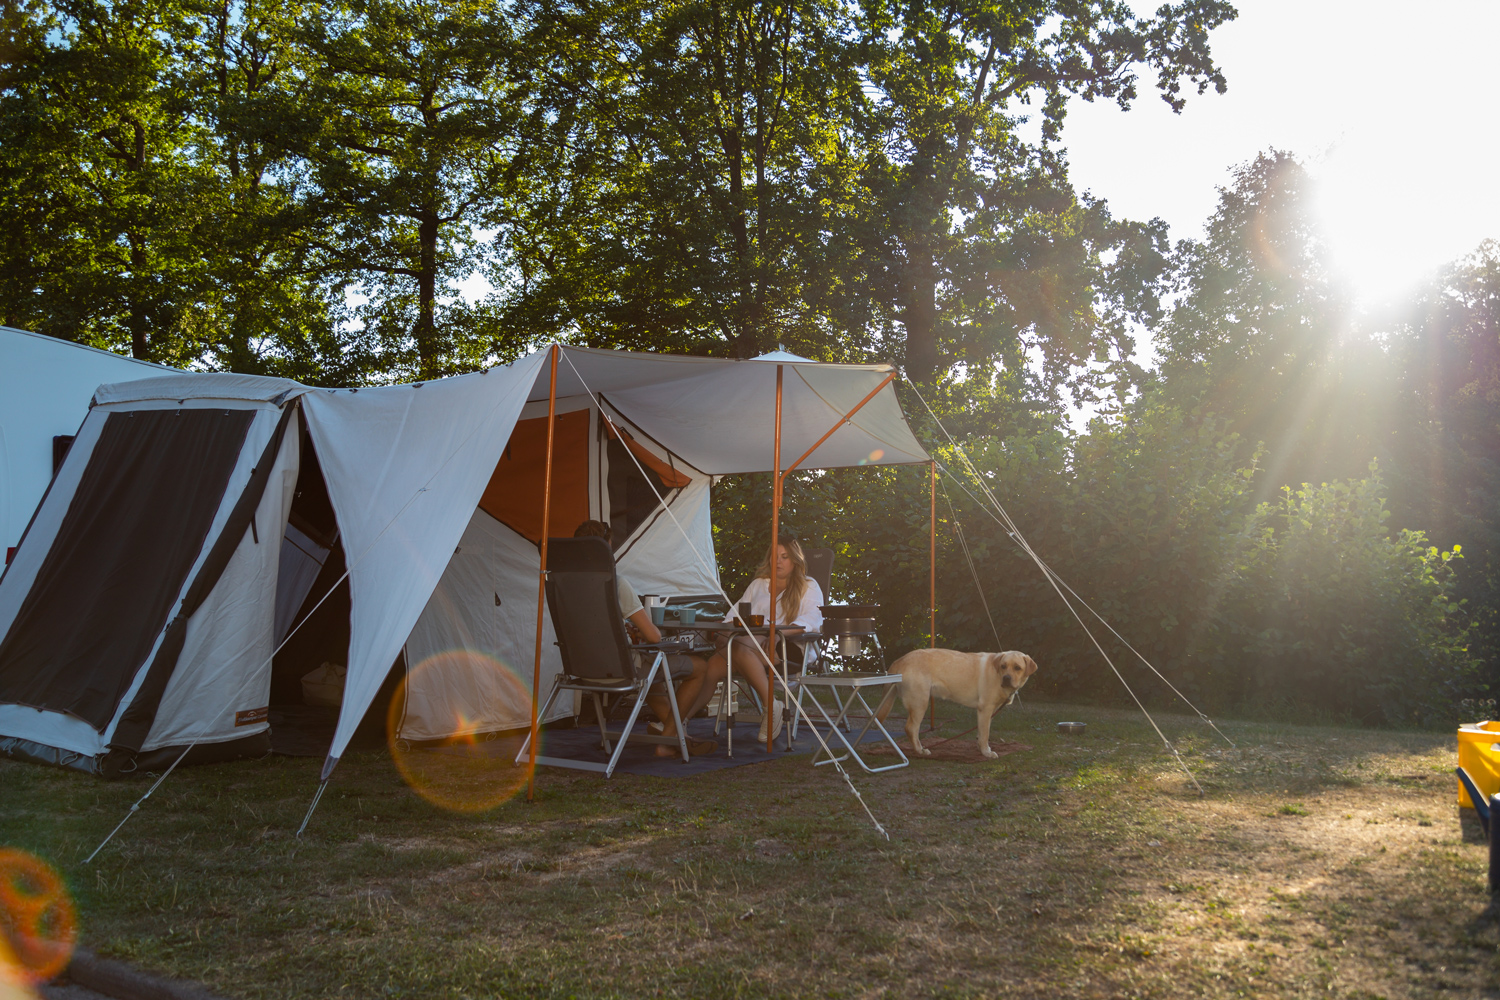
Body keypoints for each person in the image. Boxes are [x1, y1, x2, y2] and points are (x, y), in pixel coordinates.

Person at [572, 521, 715, 758]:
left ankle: (679, 735)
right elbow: (653, 636)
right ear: (606, 548)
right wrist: (640, 632)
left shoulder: (566, 586)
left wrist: (622, 630)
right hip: (622, 669)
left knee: (654, 677)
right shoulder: (615, 584)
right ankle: (669, 741)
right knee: (699, 667)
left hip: (582, 668)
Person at [684, 534, 823, 742]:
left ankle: (770, 706)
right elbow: (733, 616)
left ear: (795, 560)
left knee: (741, 645)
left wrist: (776, 634)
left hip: (788, 648)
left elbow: (810, 620)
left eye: (784, 557)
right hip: (749, 648)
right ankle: (679, 721)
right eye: (774, 556)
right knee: (713, 665)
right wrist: (724, 633)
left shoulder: (808, 585)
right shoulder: (758, 585)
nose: (778, 561)